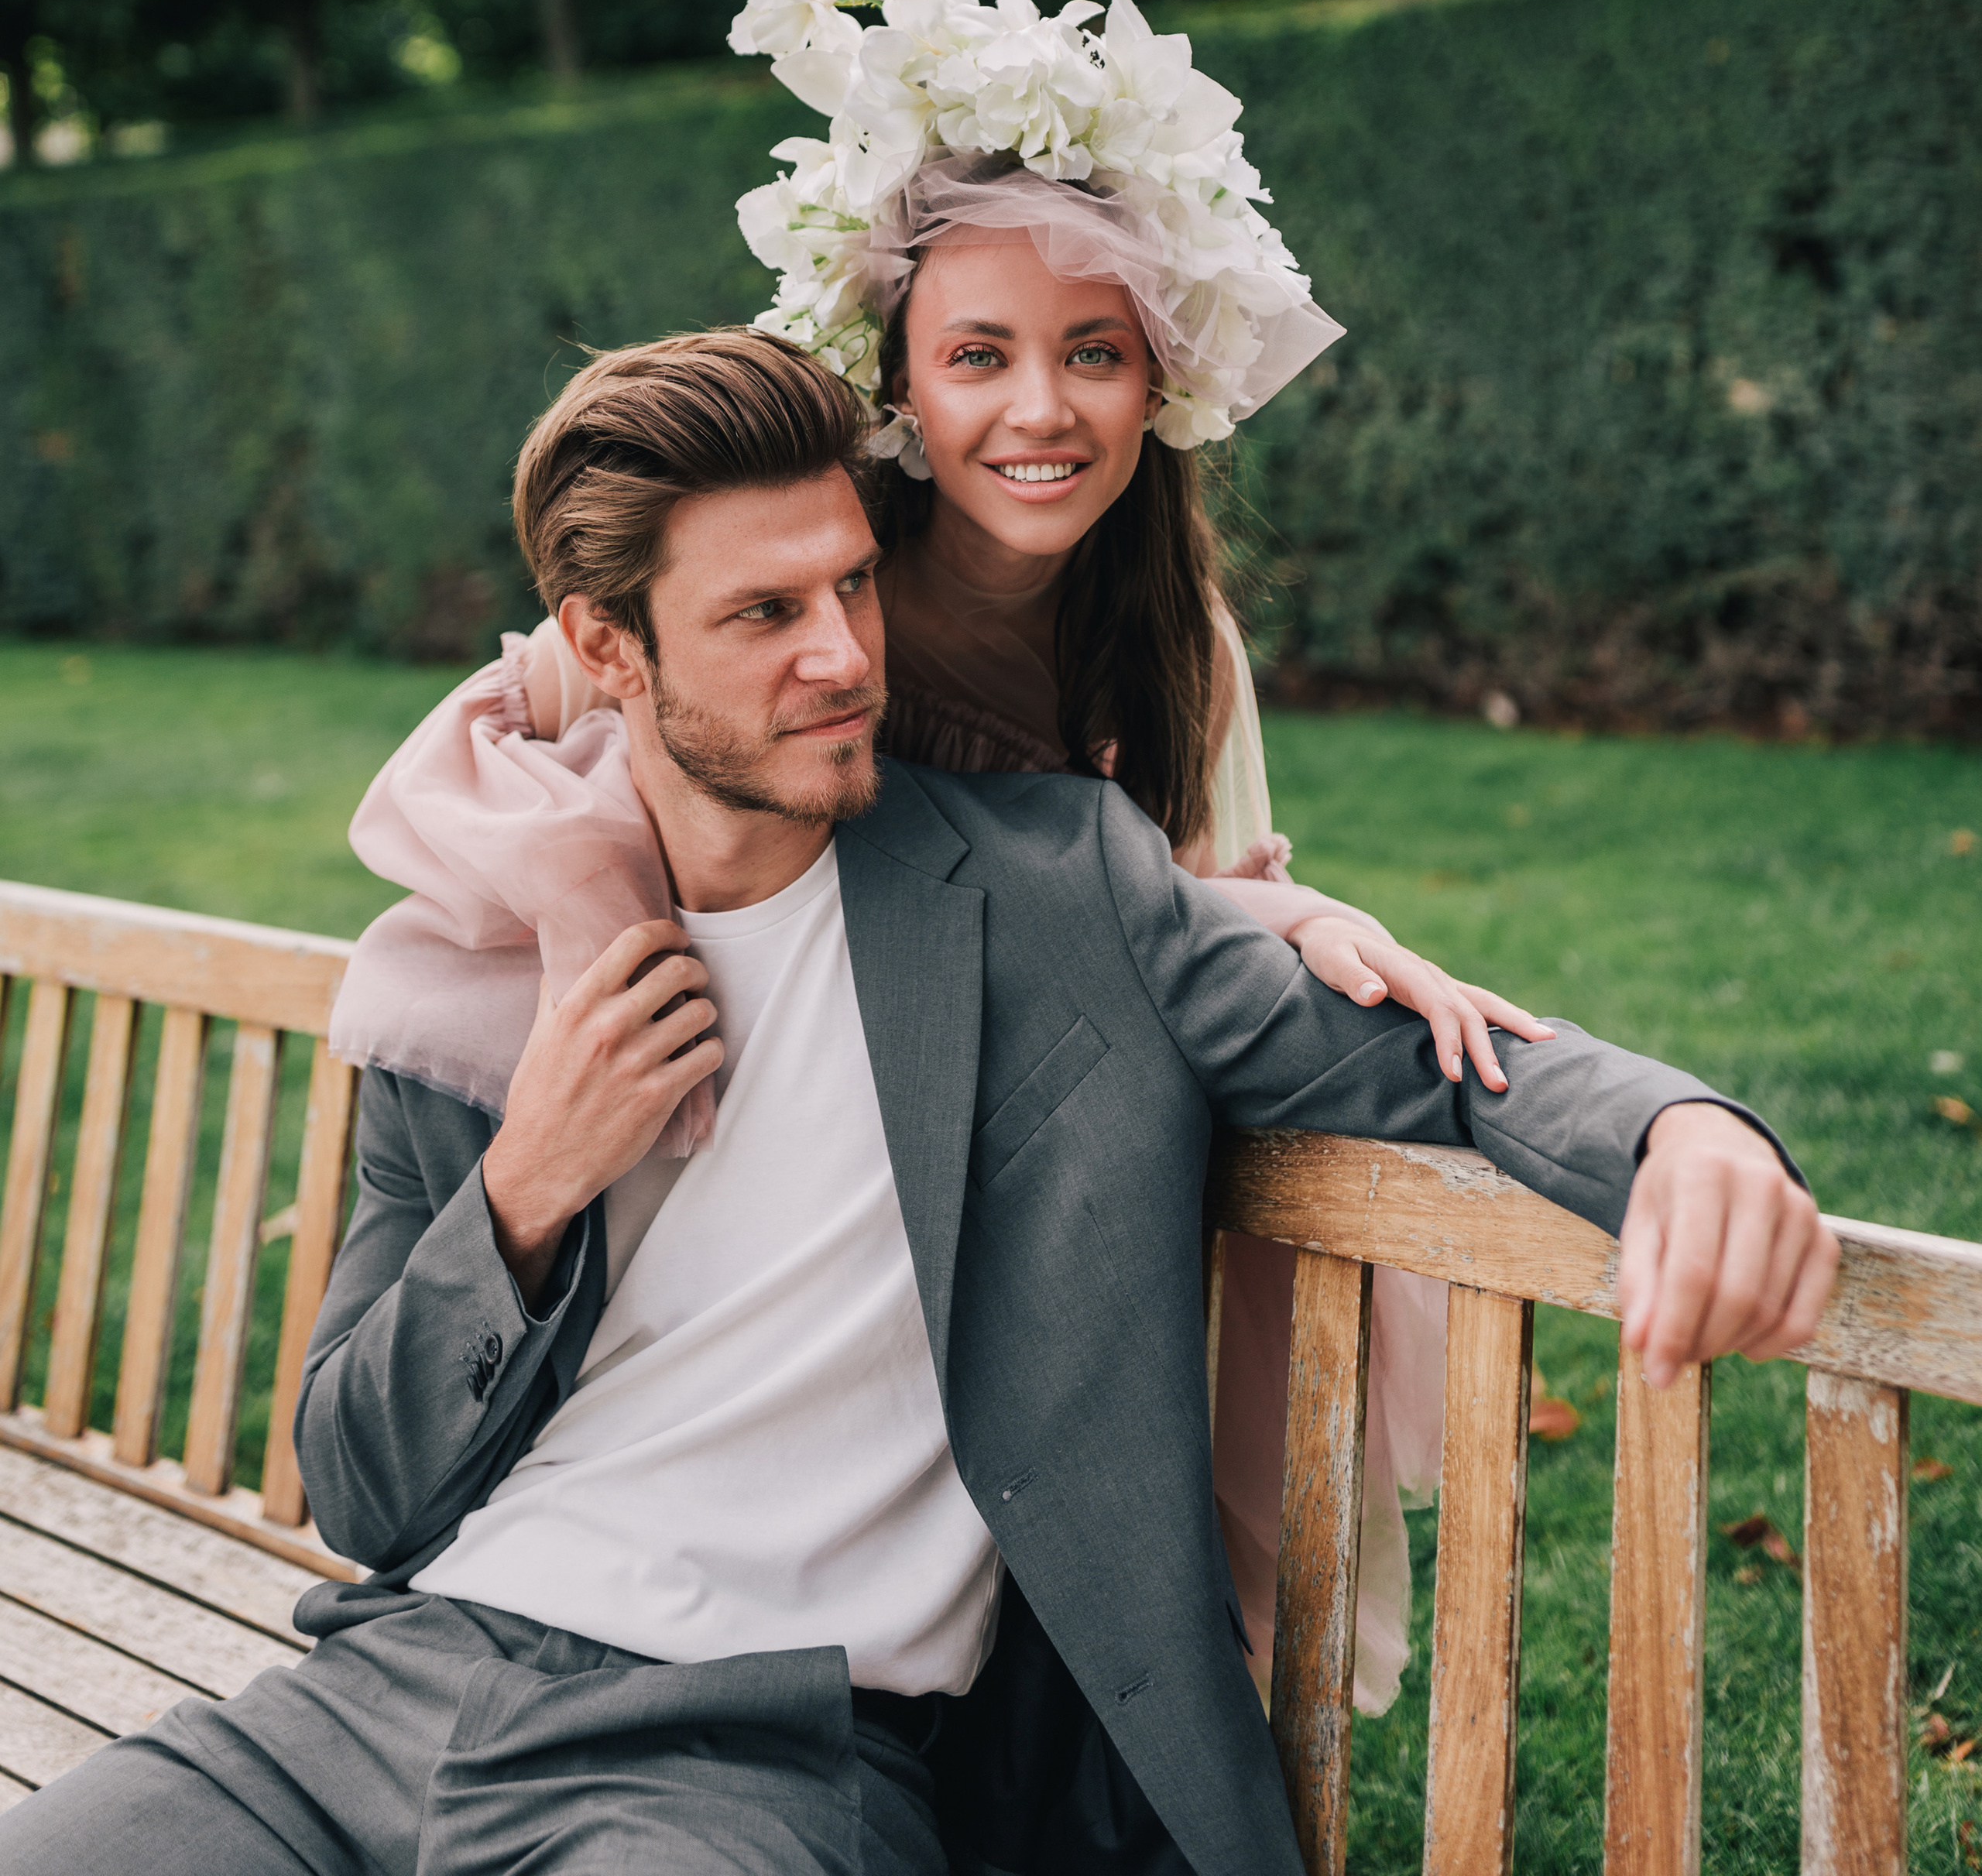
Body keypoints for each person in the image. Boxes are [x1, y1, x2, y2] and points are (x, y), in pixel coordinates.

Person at [0, 331, 1838, 1876]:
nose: (844, 655)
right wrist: (527, 1193)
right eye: (765, 613)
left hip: (736, 1769)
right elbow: (361, 1483)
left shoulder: (1057, 899)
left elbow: (1422, 1056)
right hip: (378, 1700)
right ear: (612, 648)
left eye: (853, 585)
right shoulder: (491, 974)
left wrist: (1684, 1133)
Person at [331, 0, 1553, 1706]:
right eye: (977, 357)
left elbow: (1170, 891)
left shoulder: (1171, 639)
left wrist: (1291, 919)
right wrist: (611, 911)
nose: (1038, 411)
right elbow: (501, 726)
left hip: (1005, 1098)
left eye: (1096, 354)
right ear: (897, 374)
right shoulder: (814, 573)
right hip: (737, 1060)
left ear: (1163, 381)